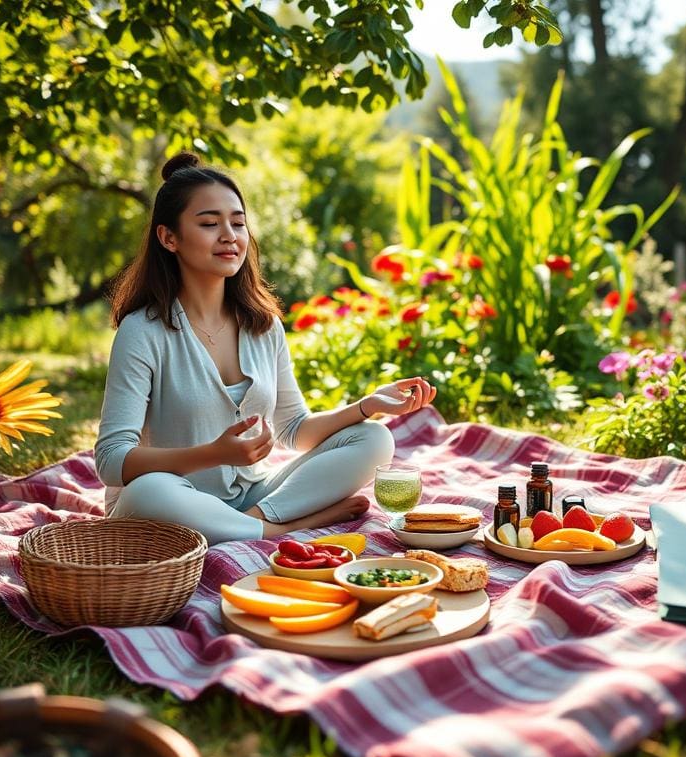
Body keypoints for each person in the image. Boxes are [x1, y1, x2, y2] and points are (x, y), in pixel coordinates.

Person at [94, 152, 436, 545]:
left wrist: (366, 406)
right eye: (209, 223)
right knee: (146, 491)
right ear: (169, 237)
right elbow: (111, 461)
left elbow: (295, 430)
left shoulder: (263, 324)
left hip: (253, 498)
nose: (230, 235)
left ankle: (253, 522)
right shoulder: (143, 331)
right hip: (173, 502)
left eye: (238, 222)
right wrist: (214, 454)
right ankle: (281, 528)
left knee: (375, 440)